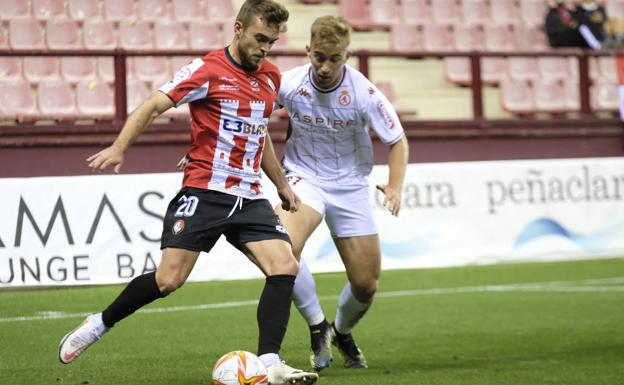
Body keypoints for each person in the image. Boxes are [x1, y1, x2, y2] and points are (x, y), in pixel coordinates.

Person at [57, 1, 319, 384]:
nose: (264, 48)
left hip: (249, 196)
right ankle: (100, 323)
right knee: (168, 281)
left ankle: (269, 363)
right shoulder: (207, 69)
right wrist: (119, 148)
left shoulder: (270, 78)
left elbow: (258, 133)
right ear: (238, 28)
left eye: (272, 42)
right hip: (205, 191)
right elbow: (153, 104)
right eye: (260, 39)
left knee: (285, 266)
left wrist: (280, 185)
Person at [275, 16, 408, 371]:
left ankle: (342, 331)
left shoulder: (364, 94)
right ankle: (318, 325)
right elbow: (247, 112)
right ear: (308, 50)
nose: (325, 66)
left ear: (346, 55)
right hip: (305, 179)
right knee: (279, 249)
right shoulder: (288, 83)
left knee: (366, 284)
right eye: (319, 56)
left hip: (350, 186)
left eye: (334, 59)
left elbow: (397, 141)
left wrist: (394, 186)